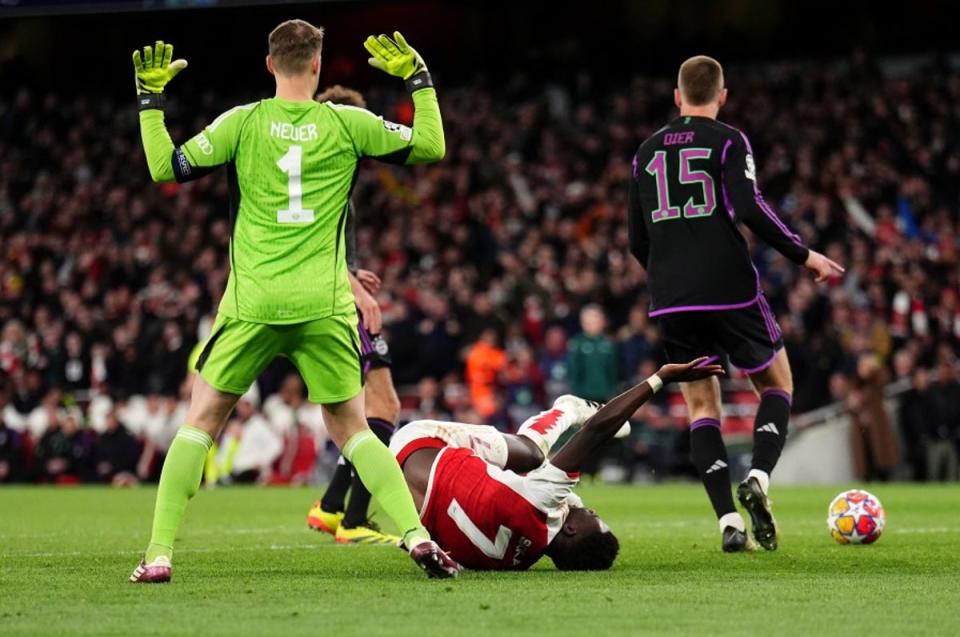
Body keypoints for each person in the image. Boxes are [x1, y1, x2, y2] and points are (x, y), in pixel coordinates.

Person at [129, 22, 458, 582]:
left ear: (268, 65)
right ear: (318, 66)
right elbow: (431, 145)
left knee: (201, 421)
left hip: (254, 301)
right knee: (354, 429)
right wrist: (418, 80)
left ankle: (159, 554)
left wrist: (150, 102)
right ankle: (418, 538)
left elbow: (167, 167)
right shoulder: (347, 123)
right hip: (323, 303)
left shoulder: (242, 122)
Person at [627, 55, 844, 552]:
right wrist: (805, 254)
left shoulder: (644, 152)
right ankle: (760, 479)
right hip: (727, 286)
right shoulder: (728, 139)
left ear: (677, 96)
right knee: (777, 380)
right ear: (721, 97)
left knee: (702, 405)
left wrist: (670, 276)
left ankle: (728, 521)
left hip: (671, 297)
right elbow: (749, 208)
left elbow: (637, 238)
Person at [388, 357, 722, 570]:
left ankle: (567, 408)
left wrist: (658, 380)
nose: (588, 508)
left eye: (591, 514)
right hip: (399, 488)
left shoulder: (541, 502)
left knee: (533, 453)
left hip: (422, 442)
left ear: (572, 530)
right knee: (520, 476)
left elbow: (596, 431)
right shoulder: (518, 562)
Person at [306, 85, 406, 546]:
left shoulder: (327, 175)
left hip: (335, 289)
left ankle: (331, 508)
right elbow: (315, 246)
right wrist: (350, 288)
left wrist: (350, 273)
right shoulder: (327, 177)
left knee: (370, 408)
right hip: (334, 301)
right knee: (379, 409)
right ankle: (352, 519)